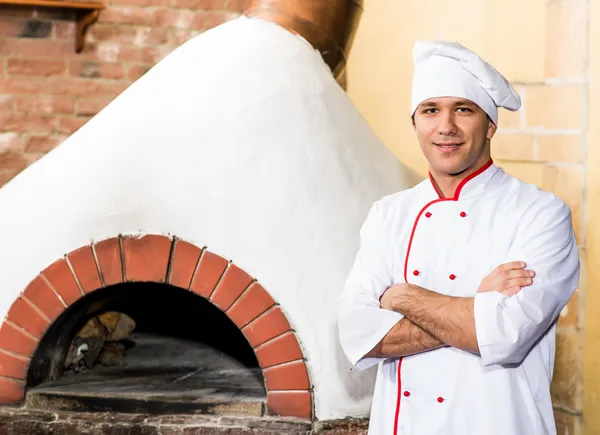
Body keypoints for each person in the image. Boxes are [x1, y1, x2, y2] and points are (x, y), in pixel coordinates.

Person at [337, 40, 580, 435]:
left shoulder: (540, 213)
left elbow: (505, 336)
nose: (445, 126)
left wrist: (401, 297)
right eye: (431, 110)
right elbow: (357, 335)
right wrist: (476, 305)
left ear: (490, 126)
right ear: (415, 123)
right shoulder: (388, 215)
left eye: (463, 109)